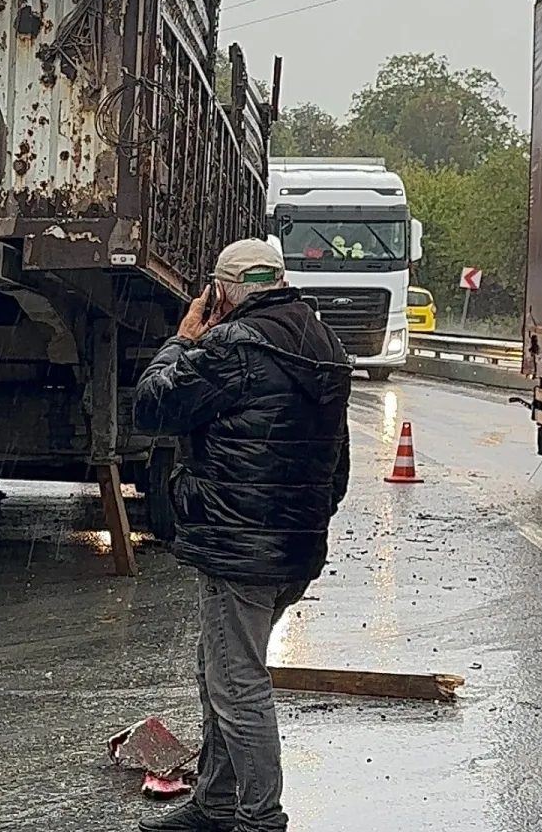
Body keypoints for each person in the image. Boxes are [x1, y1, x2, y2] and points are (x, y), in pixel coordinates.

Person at [132, 238, 352, 832]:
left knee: (236, 685)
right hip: (294, 545)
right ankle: (216, 802)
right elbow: (338, 463)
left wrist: (183, 338)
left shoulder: (233, 346)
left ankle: (259, 818)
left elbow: (152, 407)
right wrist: (304, 523)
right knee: (222, 669)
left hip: (239, 548)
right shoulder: (324, 345)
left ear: (221, 293)